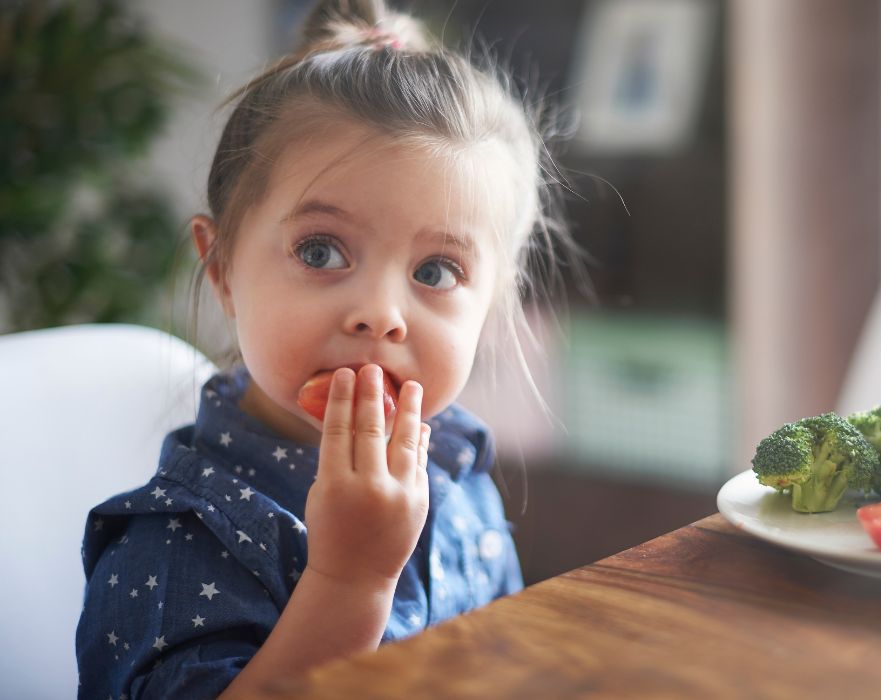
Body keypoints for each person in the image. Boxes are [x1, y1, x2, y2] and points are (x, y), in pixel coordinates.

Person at [75, 0, 578, 696]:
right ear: (222, 269)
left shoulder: (458, 470)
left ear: (492, 307)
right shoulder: (175, 544)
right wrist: (350, 581)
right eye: (320, 251)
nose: (380, 315)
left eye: (436, 271)